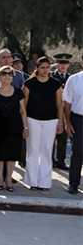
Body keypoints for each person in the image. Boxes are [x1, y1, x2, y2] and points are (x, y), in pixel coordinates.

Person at [0, 66, 28, 192]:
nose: (7, 76)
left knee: (11, 154)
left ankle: (8, 178)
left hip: (14, 127)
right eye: (4, 73)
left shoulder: (19, 92)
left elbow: (23, 111)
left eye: (10, 74)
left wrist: (25, 127)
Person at [23, 56, 64, 191]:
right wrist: (24, 125)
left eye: (47, 67)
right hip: (32, 120)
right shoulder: (29, 83)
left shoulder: (55, 83)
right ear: (37, 68)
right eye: (42, 68)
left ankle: (45, 183)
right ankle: (32, 181)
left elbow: (59, 104)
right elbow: (24, 105)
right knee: (33, 150)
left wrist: (60, 122)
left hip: (51, 121)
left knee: (46, 151)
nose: (45, 70)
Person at [64, 57, 83, 194]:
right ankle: (73, 184)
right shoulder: (74, 79)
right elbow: (67, 103)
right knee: (77, 153)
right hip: (78, 120)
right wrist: (67, 122)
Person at [52, 53, 72, 170]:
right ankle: (50, 159)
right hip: (52, 109)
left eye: (65, 64)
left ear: (68, 65)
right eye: (60, 63)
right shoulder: (51, 76)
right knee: (51, 137)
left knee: (63, 137)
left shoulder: (71, 78)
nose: (63, 66)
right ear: (56, 64)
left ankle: (61, 160)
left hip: (65, 111)